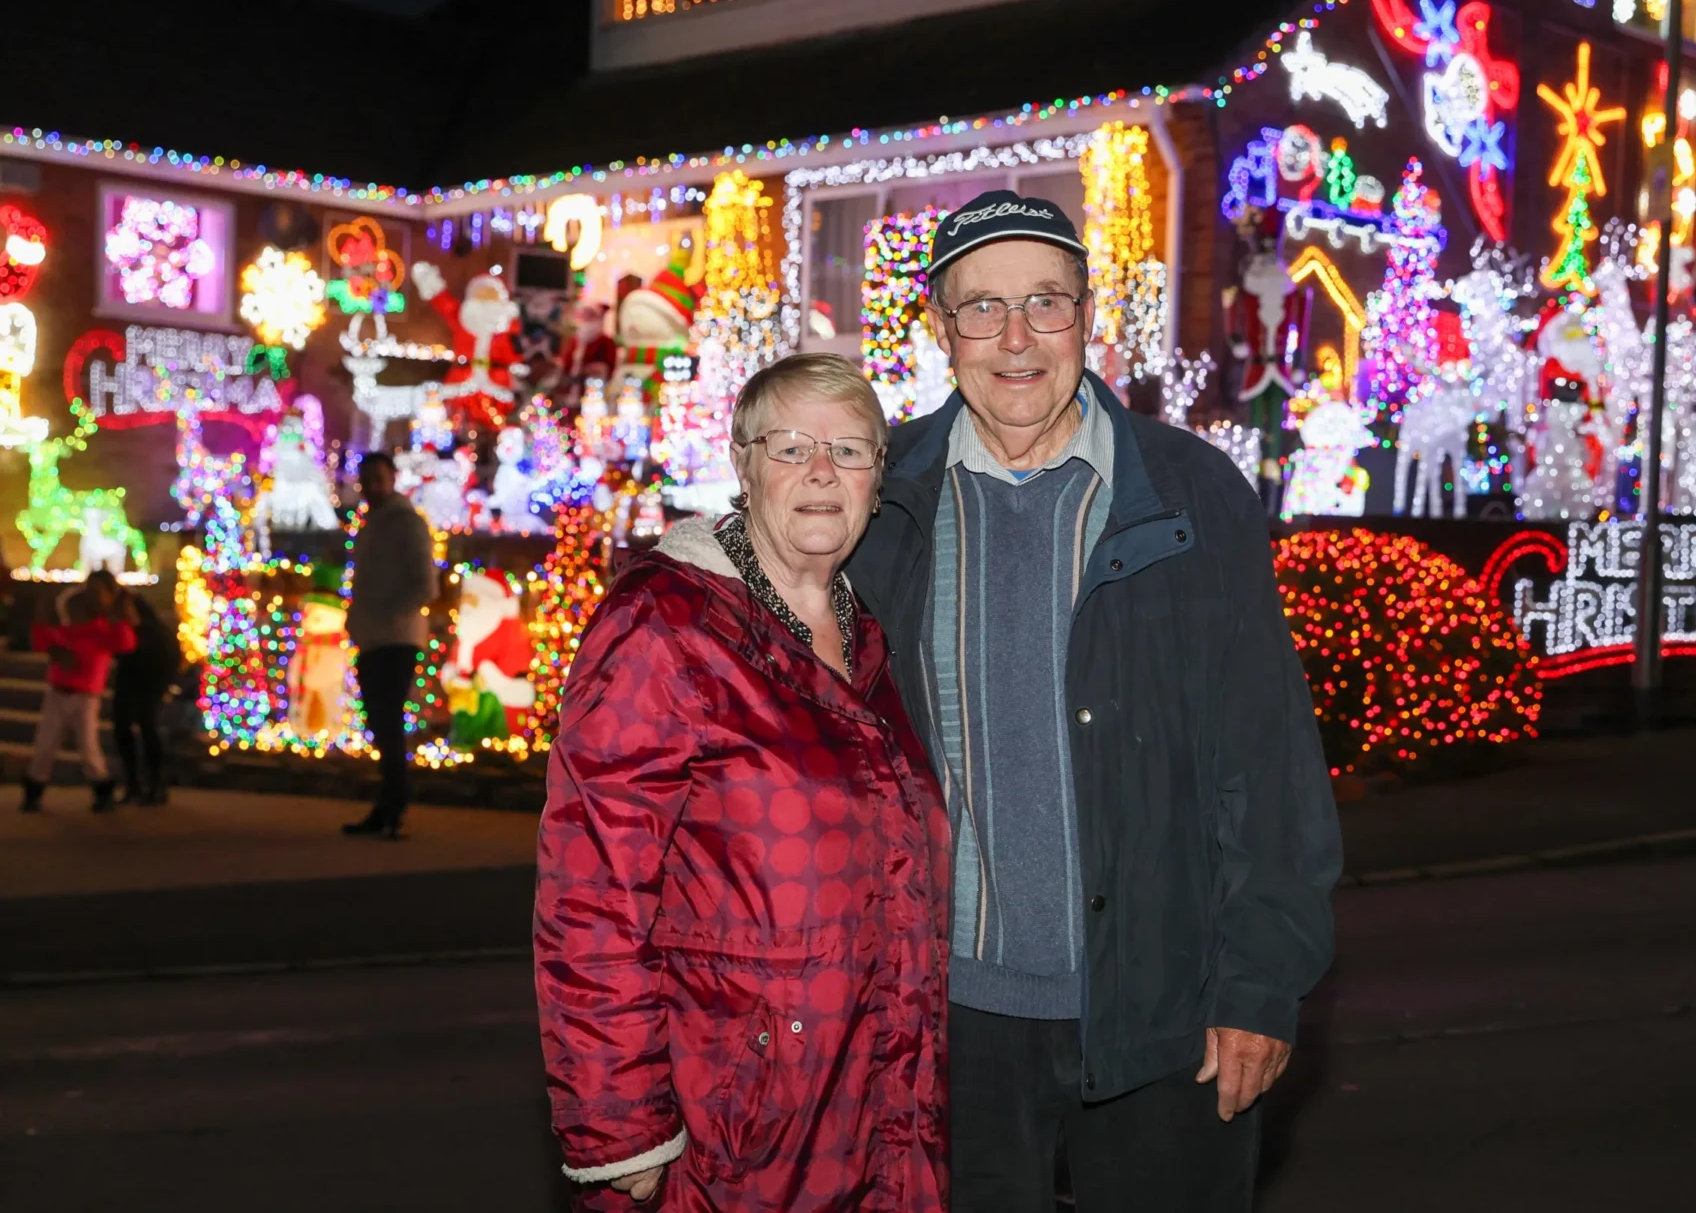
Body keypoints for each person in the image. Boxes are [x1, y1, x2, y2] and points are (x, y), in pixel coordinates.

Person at [846, 190, 1343, 1212]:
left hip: (1166, 1013)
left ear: (1085, 314)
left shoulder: (1191, 492)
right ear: (940, 328)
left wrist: (1260, 985)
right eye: (982, 308)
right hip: (947, 1024)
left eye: (1045, 302)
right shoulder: (882, 499)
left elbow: (1269, 760)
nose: (1015, 338)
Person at [535, 354, 950, 1211]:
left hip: (880, 1109)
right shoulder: (665, 624)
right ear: (741, 462)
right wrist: (620, 1125)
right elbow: (591, 892)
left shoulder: (870, 637)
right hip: (731, 1131)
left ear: (877, 479)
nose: (822, 471)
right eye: (790, 446)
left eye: (850, 450)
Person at [342, 451, 436, 839]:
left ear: (393, 478)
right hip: (374, 636)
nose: (371, 488)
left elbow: (424, 584)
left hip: (395, 638)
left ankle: (393, 805)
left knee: (388, 723)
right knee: (381, 724)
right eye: (366, 481)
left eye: (378, 479)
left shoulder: (407, 524)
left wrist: (386, 614)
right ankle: (387, 805)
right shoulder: (372, 526)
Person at [22, 571, 137, 813]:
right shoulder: (70, 630)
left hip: (85, 697)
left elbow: (126, 643)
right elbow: (43, 640)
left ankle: (102, 789)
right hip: (58, 694)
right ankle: (33, 792)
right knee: (45, 746)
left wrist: (119, 617)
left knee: (88, 747)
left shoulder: (103, 630)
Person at [113, 594, 181, 805]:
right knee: (123, 731)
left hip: (149, 687)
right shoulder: (126, 630)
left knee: (148, 730)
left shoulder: (155, 633)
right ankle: (133, 784)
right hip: (128, 685)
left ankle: (155, 784)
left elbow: (166, 659)